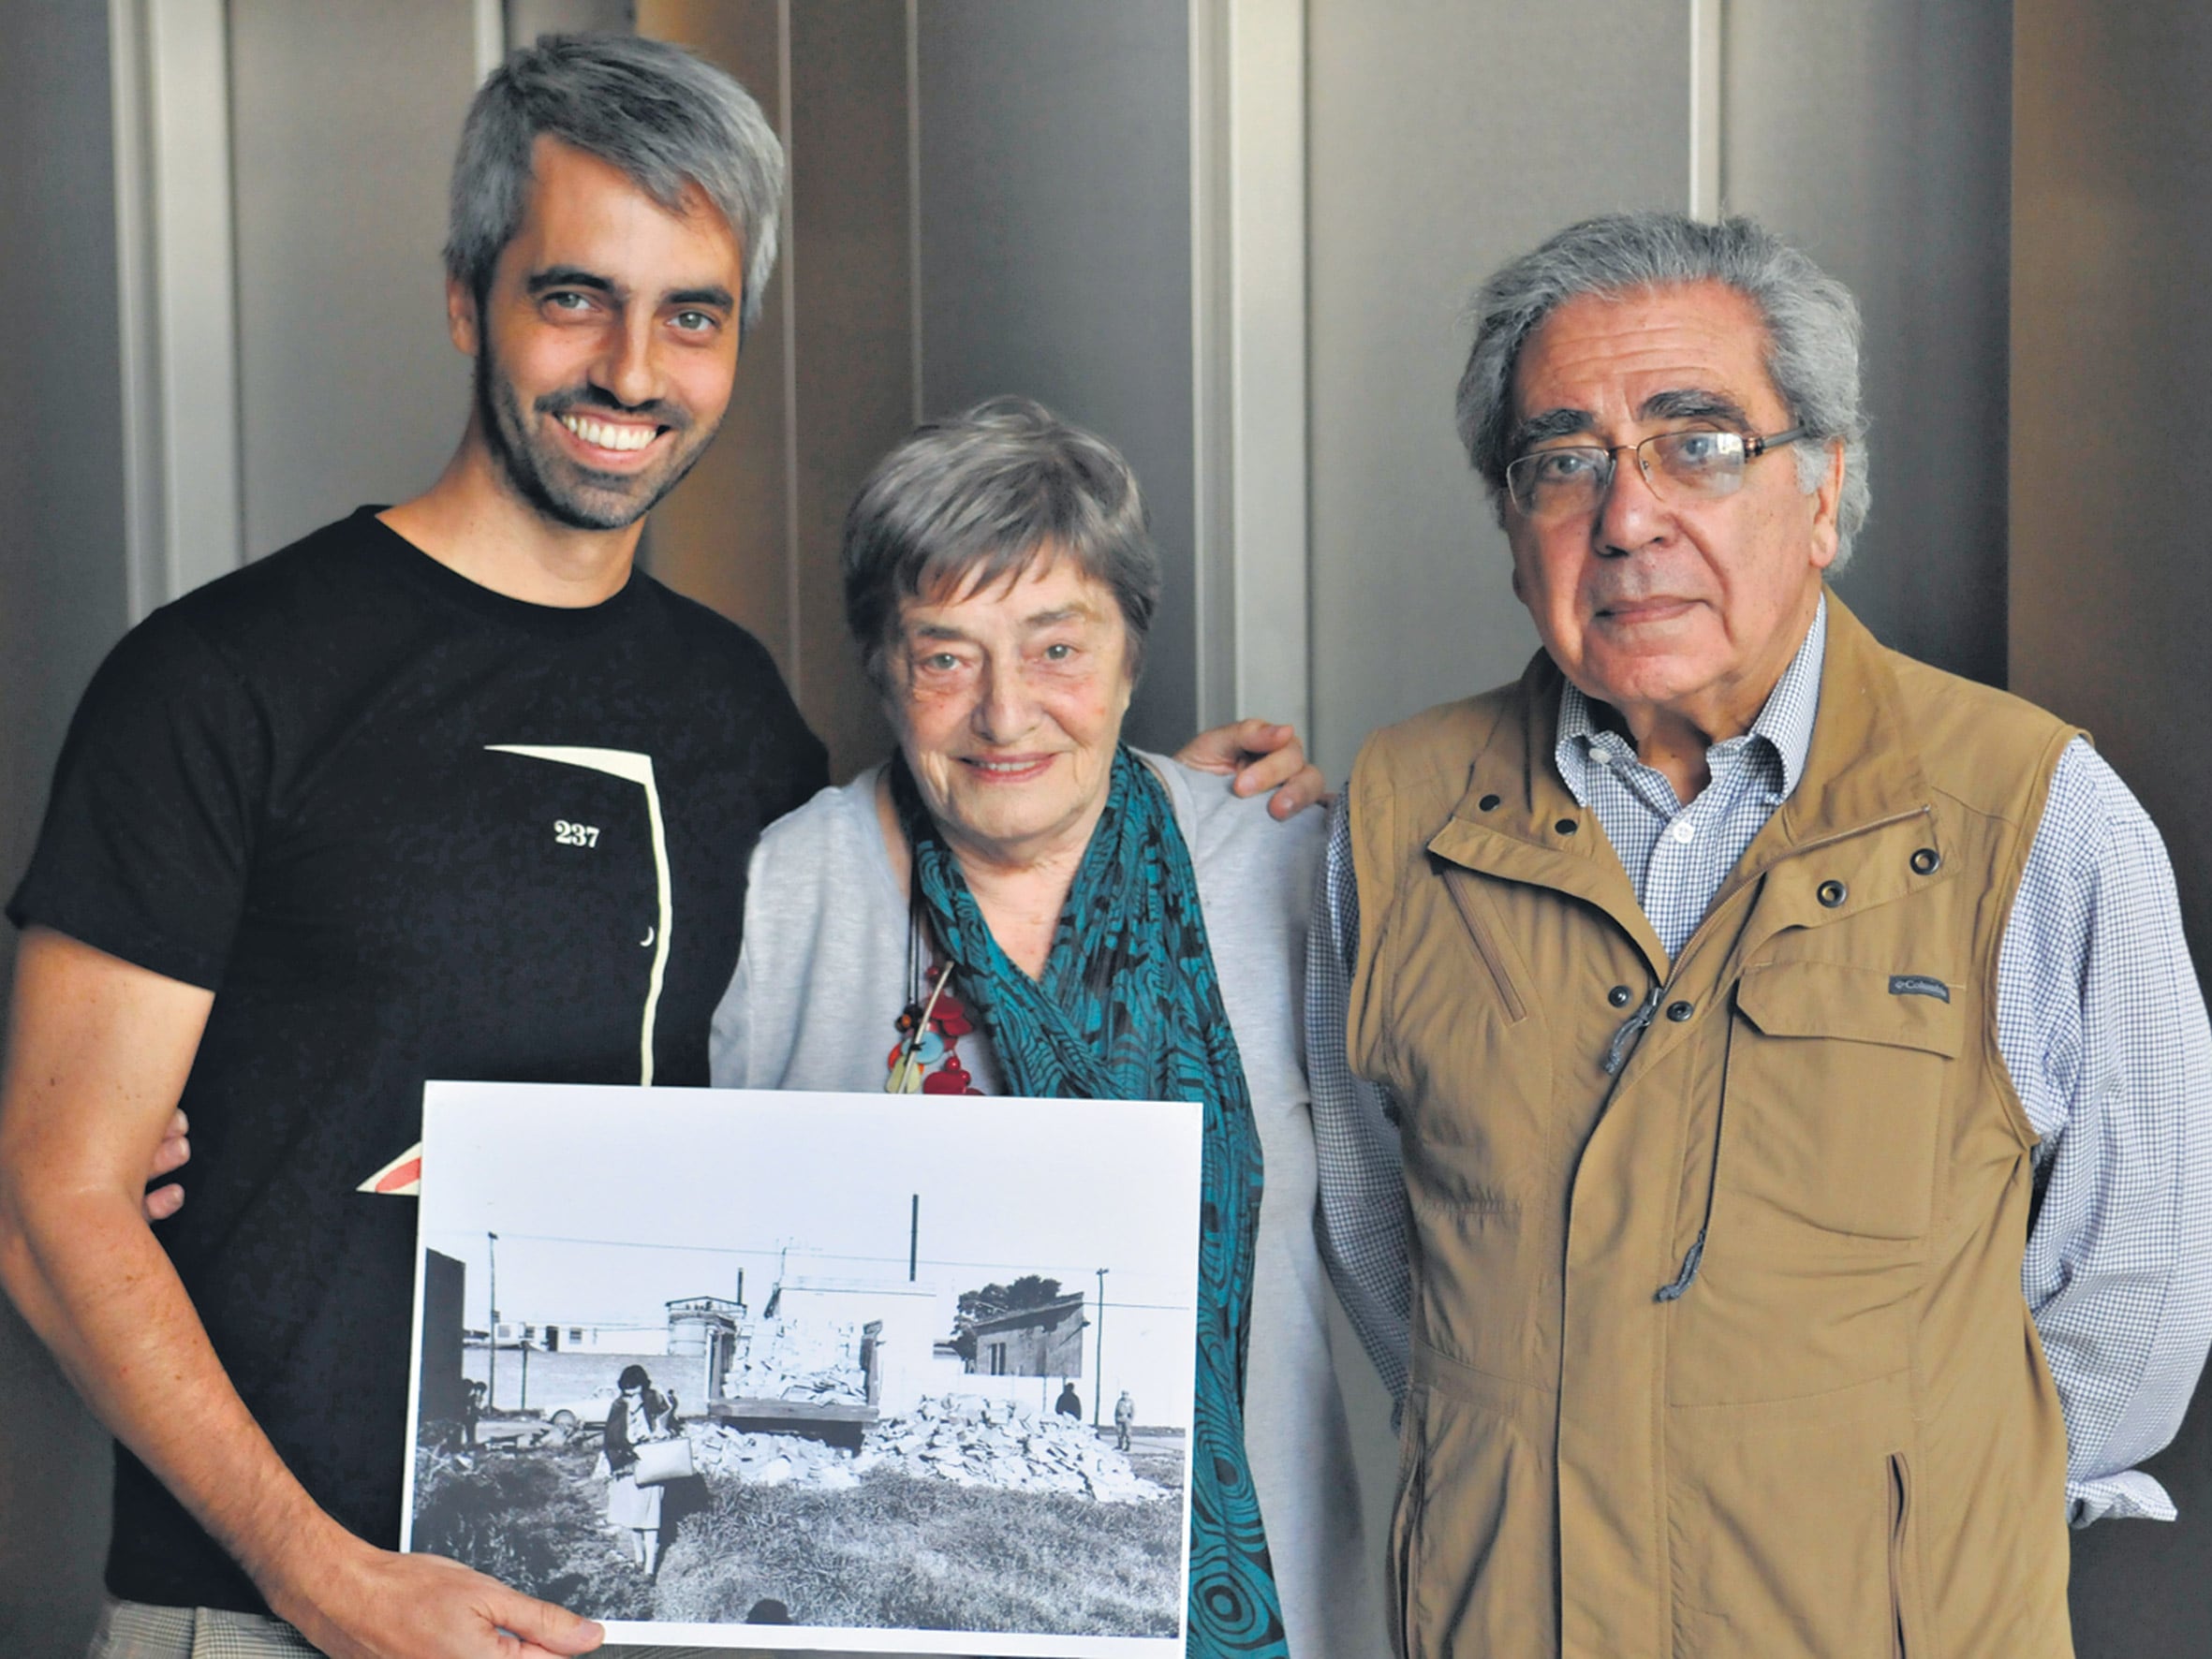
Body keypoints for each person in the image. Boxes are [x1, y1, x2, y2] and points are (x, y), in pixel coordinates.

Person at [0, 35, 1319, 1659]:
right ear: (465, 298)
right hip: (273, 1612)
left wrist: (1152, 797)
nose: (632, 370)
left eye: (691, 314)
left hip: (635, 1618)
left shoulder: (736, 718)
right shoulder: (220, 679)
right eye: (575, 297)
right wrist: (316, 1573)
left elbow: (932, 875)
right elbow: (53, 1197)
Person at [1309, 210, 2212, 1658]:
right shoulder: (1394, 818)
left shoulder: (2034, 814)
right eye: (1563, 461)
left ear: (1821, 488)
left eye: (1697, 446)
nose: (1625, 519)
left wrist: (1907, 1506)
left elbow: (2138, 1304)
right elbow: (1381, 1244)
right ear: (1511, 524)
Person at [712, 399, 1379, 1659]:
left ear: (1131, 654)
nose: (1005, 714)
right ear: (882, 669)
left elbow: (1431, 1235)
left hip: (1256, 1603)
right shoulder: (781, 892)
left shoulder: (1288, 868)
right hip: (884, 1603)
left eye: (1057, 647)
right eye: (944, 656)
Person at [600, 1365, 680, 1577]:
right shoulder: (618, 1406)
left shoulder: (655, 1402)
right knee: (633, 1516)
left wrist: (661, 1432)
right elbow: (610, 1439)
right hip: (627, 1467)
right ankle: (639, 1559)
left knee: (651, 1518)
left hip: (651, 1466)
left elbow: (672, 1428)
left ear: (643, 1388)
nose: (631, 1397)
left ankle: (649, 1570)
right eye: (627, 1393)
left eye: (635, 1392)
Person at [1113, 1389, 1136, 1453]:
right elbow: (1116, 1410)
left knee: (1127, 1433)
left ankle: (1128, 1446)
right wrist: (1116, 1419)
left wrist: (1130, 1419)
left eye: (1126, 1394)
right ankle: (1120, 1445)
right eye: (1123, 1394)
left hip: (1126, 1419)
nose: (1124, 1396)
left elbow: (1133, 1411)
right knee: (1119, 1433)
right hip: (1119, 1419)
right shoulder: (1120, 1401)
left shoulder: (1130, 1402)